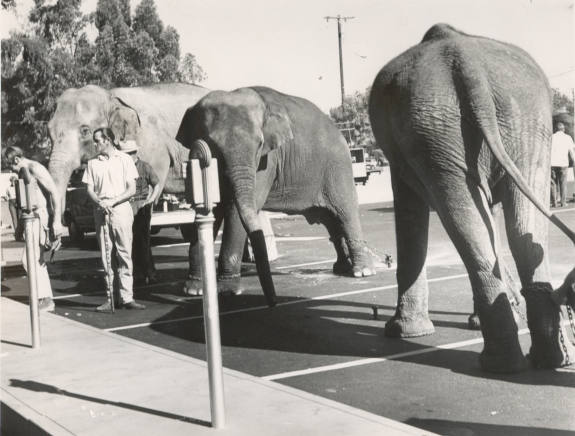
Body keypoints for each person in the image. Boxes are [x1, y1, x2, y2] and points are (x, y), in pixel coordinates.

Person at [83, 128, 145, 311]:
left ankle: (127, 297)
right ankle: (111, 297)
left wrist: (114, 201)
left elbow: (131, 188)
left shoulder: (125, 159)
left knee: (124, 253)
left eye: (97, 140)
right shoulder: (92, 163)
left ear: (108, 140)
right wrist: (100, 202)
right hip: (101, 212)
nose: (94, 144)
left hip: (121, 210)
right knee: (106, 256)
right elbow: (89, 190)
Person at [4, 146, 62, 312]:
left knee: (31, 259)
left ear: (16, 159)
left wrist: (57, 221)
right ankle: (43, 297)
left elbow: (55, 193)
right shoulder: (23, 172)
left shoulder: (35, 168)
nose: (12, 170)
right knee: (34, 259)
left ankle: (45, 298)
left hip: (40, 217)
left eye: (11, 166)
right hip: (31, 219)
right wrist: (20, 227)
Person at [117, 140, 161, 284]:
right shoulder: (121, 167)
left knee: (143, 240)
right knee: (130, 240)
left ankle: (149, 271)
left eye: (127, 154)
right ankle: (137, 272)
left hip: (142, 206)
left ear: (133, 153)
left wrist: (152, 199)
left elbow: (157, 184)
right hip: (126, 205)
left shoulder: (144, 167)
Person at [550, 122, 575, 207]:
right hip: (563, 163)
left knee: (553, 183)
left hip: (552, 163)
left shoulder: (551, 137)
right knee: (563, 184)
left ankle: (554, 202)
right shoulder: (568, 138)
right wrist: (574, 161)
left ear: (555, 129)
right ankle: (563, 203)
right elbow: (572, 151)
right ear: (564, 129)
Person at [6, 175, 23, 241]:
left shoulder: (19, 188)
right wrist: (7, 197)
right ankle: (17, 234)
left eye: (14, 182)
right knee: (14, 218)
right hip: (11, 202)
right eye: (12, 182)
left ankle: (20, 233)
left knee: (20, 217)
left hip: (18, 202)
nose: (13, 183)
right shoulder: (8, 188)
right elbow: (7, 195)